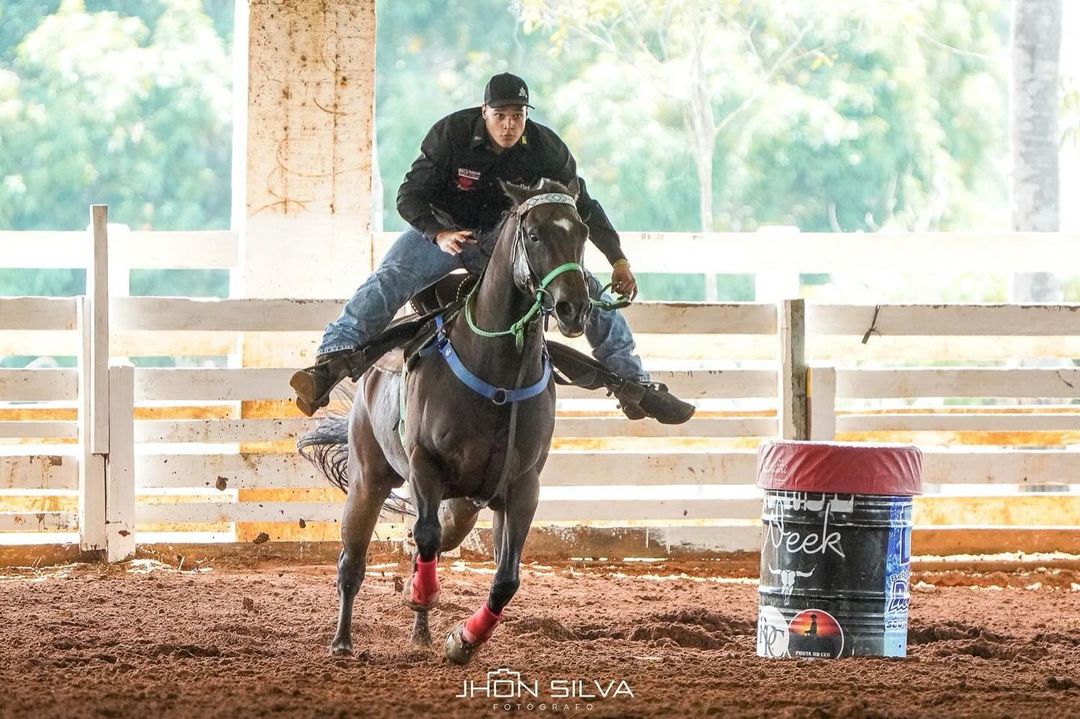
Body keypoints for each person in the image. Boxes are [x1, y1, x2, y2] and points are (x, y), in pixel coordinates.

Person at [291, 72, 694, 424]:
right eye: (501, 115)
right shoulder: (450, 135)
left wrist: (618, 258)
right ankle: (332, 356)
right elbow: (408, 197)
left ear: (526, 116)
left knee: (580, 286)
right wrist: (437, 234)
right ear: (484, 112)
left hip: (506, 241)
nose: (509, 125)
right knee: (392, 277)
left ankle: (633, 381)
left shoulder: (546, 149)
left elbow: (582, 205)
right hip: (447, 232)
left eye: (517, 116)